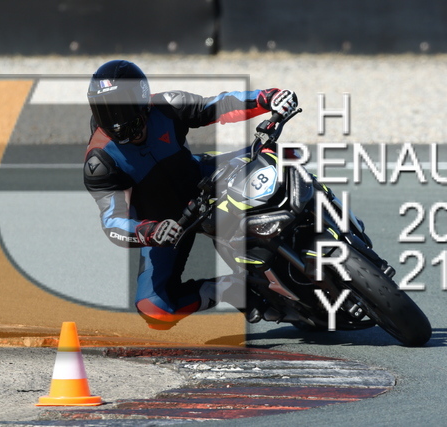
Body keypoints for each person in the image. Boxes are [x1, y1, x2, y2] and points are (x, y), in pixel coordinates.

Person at [83, 59, 298, 330]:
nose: (115, 121)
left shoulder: (167, 105)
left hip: (205, 179)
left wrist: (266, 98)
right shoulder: (100, 161)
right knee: (155, 309)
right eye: (105, 110)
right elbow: (111, 222)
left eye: (120, 107)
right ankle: (232, 289)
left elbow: (219, 105)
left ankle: (325, 217)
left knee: (284, 155)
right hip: (167, 225)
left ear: (142, 98)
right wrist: (150, 231)